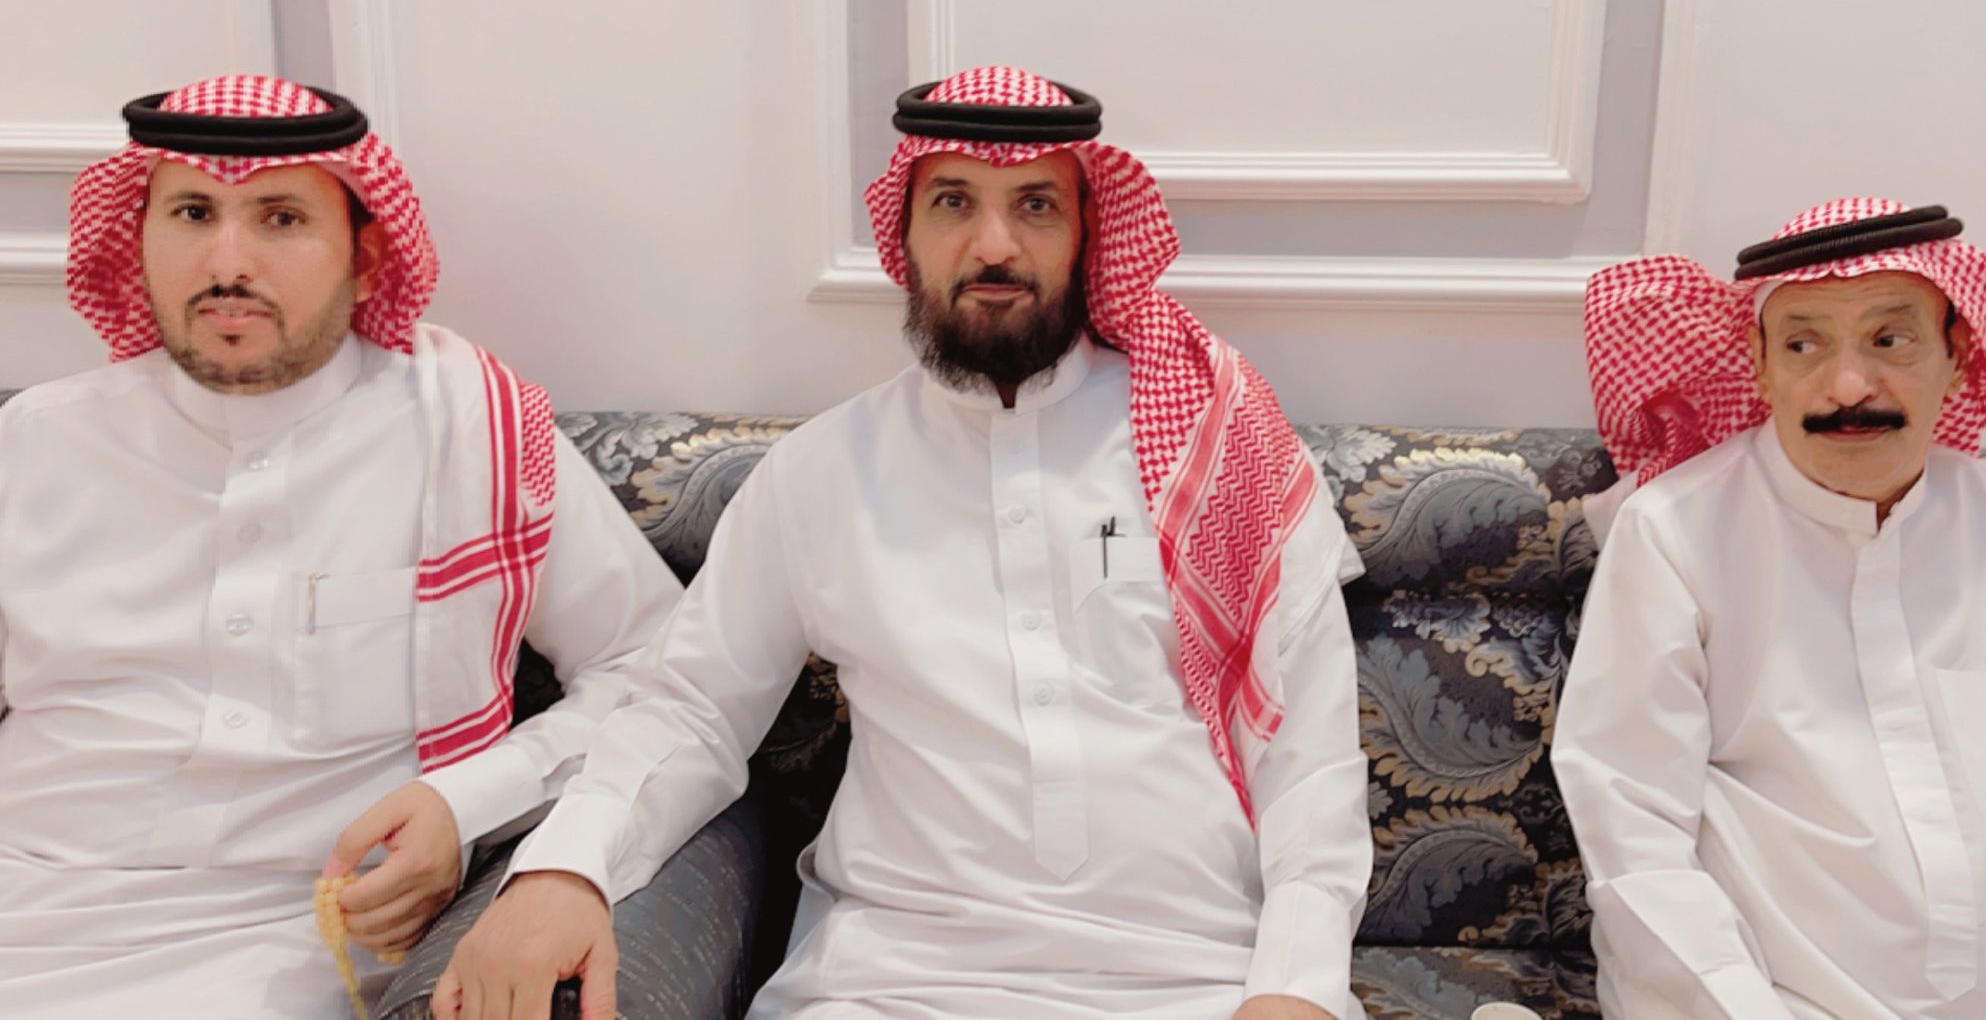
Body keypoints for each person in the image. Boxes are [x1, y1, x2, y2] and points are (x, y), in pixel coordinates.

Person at [441, 66, 1372, 1020]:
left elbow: (1309, 760)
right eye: (954, 202)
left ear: (1088, 234)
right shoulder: (821, 473)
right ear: (905, 234)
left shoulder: (1221, 449)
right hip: (888, 985)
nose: (994, 244)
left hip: (1199, 982)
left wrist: (1294, 988)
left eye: (1037, 205)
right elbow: (691, 709)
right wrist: (566, 867)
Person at [0, 75, 682, 1018]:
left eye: (280, 219)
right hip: (29, 902)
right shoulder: (35, 442)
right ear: (138, 238)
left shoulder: (475, 434)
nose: (227, 262)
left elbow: (659, 675)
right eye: (192, 213)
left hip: (298, 944)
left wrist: (465, 804)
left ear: (366, 257)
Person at [1556, 198, 1986, 1019]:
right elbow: (1635, 838)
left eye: (1890, 340)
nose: (1849, 387)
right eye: (1804, 345)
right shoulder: (1674, 535)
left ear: (1957, 354)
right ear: (1760, 366)